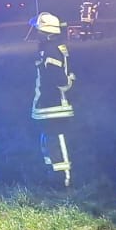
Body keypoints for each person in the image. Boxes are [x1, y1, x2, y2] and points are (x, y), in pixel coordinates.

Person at [30, 12, 75, 188]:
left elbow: (60, 80)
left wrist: (68, 82)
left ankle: (63, 179)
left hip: (54, 105)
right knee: (48, 140)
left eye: (38, 30)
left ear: (46, 32)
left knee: (56, 140)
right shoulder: (50, 48)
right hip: (47, 104)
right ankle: (52, 174)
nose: (36, 34)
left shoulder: (51, 51)